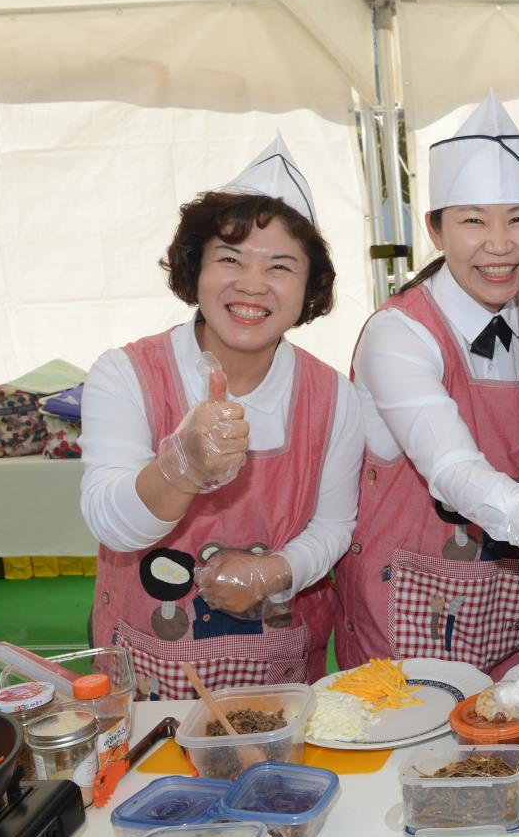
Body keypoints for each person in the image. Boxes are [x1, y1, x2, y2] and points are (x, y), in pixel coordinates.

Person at [80, 136, 363, 697]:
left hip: (277, 669)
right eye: (230, 259)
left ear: (309, 287)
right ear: (197, 269)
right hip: (147, 665)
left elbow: (334, 526)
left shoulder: (334, 395)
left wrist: (273, 572)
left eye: (280, 266)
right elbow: (109, 522)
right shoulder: (126, 374)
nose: (252, 284)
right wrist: (179, 469)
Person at [336, 92, 519, 677]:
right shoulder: (398, 333)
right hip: (400, 602)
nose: (501, 244)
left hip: (502, 602)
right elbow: (451, 468)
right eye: (473, 220)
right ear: (435, 229)